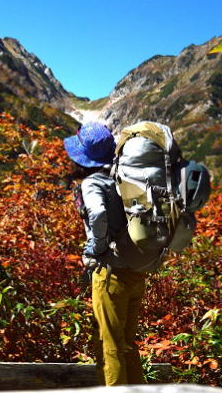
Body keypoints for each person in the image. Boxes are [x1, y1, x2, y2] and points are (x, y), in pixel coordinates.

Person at [64, 121, 146, 386]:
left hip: (110, 273)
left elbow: (98, 214)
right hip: (136, 270)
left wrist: (96, 248)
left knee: (107, 345)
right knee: (127, 345)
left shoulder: (92, 182)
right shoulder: (122, 176)